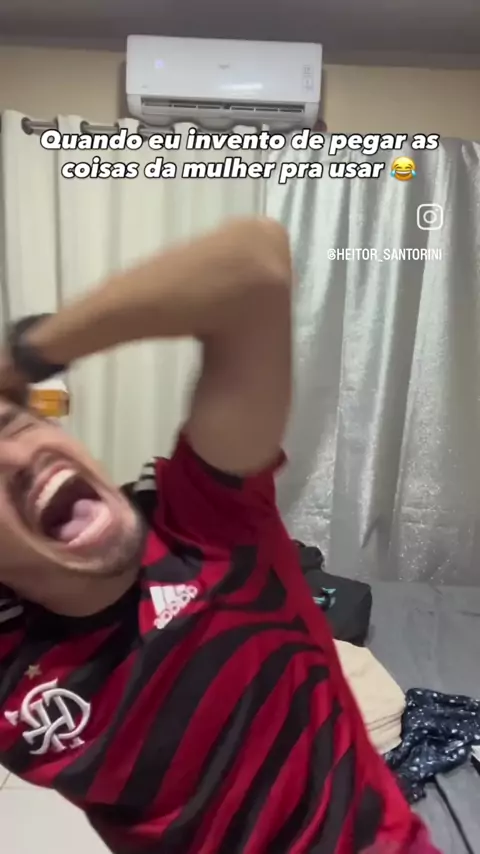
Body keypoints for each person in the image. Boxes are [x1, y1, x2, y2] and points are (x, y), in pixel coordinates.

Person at [0, 217, 440, 854]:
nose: (19, 460)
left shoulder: (202, 520)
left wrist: (23, 355)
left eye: (15, 427)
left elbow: (253, 263)